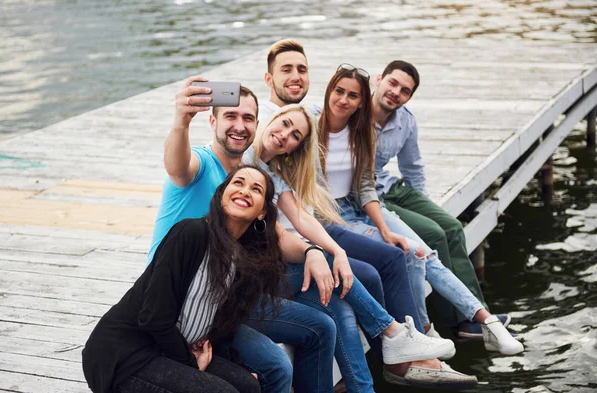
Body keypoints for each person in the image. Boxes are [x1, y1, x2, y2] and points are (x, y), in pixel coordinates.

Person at [246, 103, 481, 391]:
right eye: (284, 124)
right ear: (271, 118)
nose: (285, 135)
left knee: (340, 307)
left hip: (274, 265)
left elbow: (302, 217)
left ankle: (367, 384)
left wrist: (337, 251)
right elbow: (277, 230)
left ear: (296, 148)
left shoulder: (273, 174)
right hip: (256, 276)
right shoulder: (245, 159)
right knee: (339, 280)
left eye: (295, 135)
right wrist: (320, 253)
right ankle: (392, 333)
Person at [316, 63, 524, 357]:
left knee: (424, 252)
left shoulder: (361, 133)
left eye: (352, 96)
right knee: (410, 254)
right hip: (331, 215)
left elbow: (367, 186)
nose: (344, 100)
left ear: (361, 101)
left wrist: (386, 229)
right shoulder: (312, 125)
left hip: (363, 204)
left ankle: (485, 320)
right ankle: (425, 330)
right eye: (339, 92)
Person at [147, 80, 337, 393]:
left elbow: (276, 235)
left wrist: (312, 251)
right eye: (230, 117)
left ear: (257, 125)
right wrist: (181, 121)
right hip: (180, 301)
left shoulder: (244, 179)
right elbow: (177, 167)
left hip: (225, 295)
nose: (239, 125)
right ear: (212, 121)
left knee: (322, 326)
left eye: (248, 119)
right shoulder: (201, 164)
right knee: (276, 366)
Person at [83, 165, 284, 393]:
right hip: (126, 353)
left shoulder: (246, 262)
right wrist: (189, 363)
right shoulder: (191, 233)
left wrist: (235, 369)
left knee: (248, 385)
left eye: (256, 189)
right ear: (221, 195)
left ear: (262, 213)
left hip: (173, 349)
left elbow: (223, 330)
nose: (245, 191)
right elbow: (154, 317)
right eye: (238, 183)